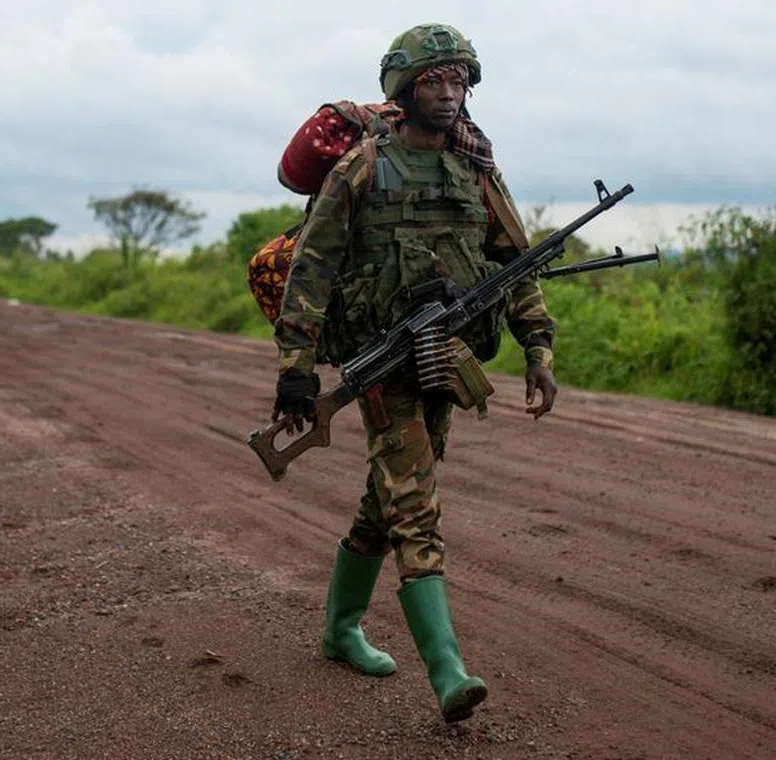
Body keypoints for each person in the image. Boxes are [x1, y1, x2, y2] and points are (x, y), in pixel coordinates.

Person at [270, 23, 558, 724]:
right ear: (405, 86)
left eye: (460, 79)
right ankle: (449, 672)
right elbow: (311, 270)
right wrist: (297, 372)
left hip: (446, 361)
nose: (450, 92)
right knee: (416, 507)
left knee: (388, 497)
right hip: (381, 365)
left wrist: (539, 347)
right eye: (435, 80)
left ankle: (340, 630)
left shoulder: (475, 172)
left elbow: (513, 265)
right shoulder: (364, 168)